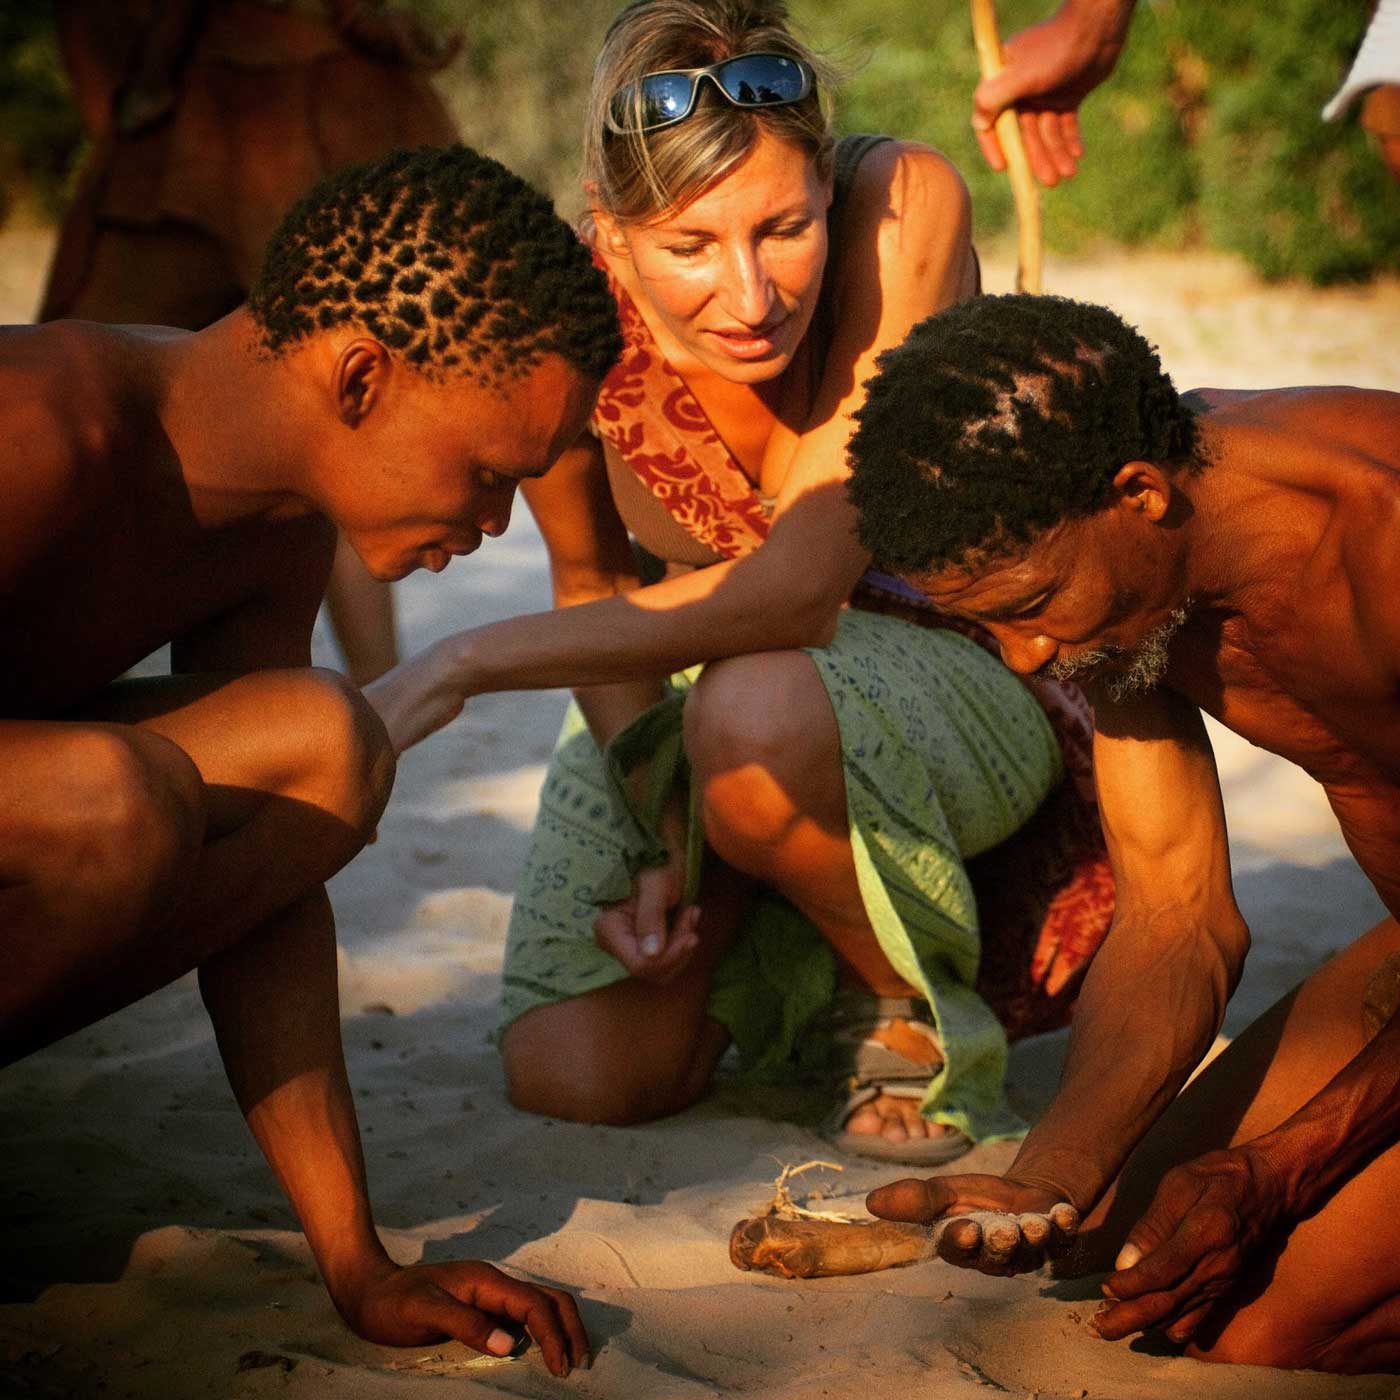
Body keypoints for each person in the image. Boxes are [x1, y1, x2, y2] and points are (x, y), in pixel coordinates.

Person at [368, 0, 1114, 1165]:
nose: (751, 295)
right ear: (610, 239)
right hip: (711, 703)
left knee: (753, 700)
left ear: (826, 182)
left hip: (959, 674)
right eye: (687, 248)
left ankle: (906, 1007)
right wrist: (667, 828)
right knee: (578, 1068)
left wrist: (457, 660)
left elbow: (795, 593)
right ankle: (785, 895)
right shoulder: (565, 307)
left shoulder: (901, 207)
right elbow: (590, 585)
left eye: (782, 229)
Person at [2, 142, 620, 1374]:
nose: (493, 523)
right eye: (489, 474)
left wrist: (358, 1261)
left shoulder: (276, 526)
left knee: (327, 740)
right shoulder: (45, 428)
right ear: (359, 377)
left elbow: (265, 884)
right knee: (108, 801)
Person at [845, 292, 1400, 1373]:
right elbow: (1174, 918)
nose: (1021, 656)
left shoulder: (1376, 534)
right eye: (985, 621)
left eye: (1034, 602)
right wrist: (1043, 1176)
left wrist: (1278, 1165)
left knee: (1272, 1323)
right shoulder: (1108, 590)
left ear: (1135, 494)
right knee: (1131, 1253)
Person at [40, 0, 466, 684]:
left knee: (346, 409)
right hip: (196, 120)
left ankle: (378, 693)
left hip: (287, 103)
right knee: (71, 396)